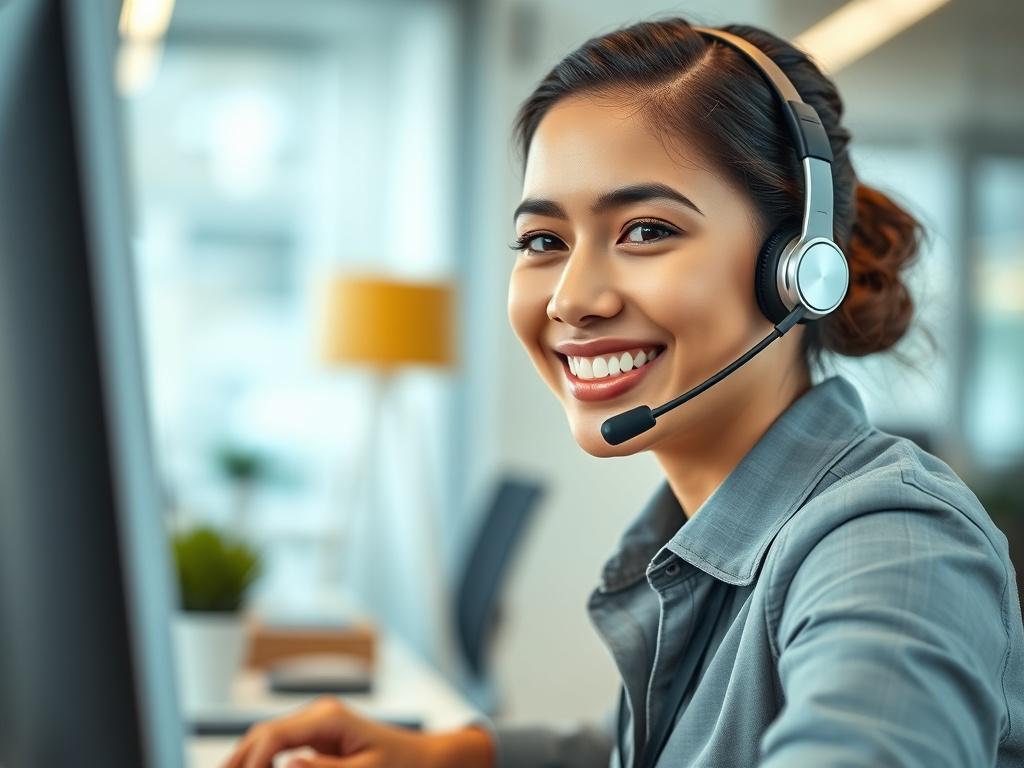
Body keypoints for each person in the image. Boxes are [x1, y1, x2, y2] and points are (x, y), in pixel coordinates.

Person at [222, 18, 1024, 768]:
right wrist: (452, 755)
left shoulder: (893, 547)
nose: (572, 299)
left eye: (645, 230)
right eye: (543, 241)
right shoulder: (713, 534)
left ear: (797, 268)